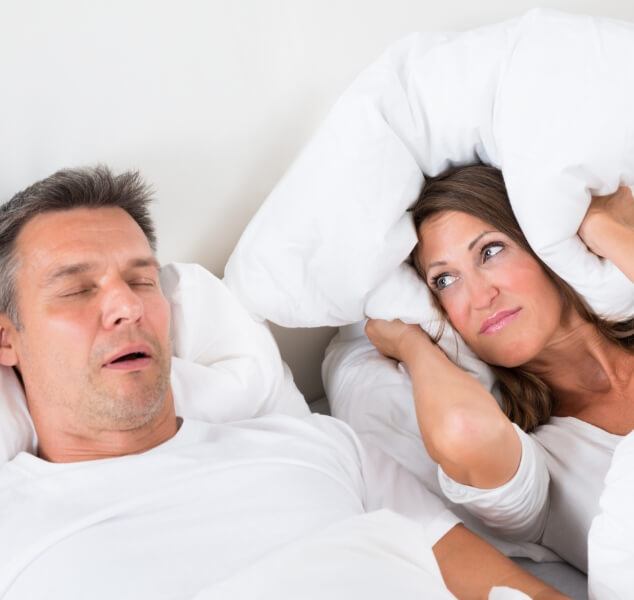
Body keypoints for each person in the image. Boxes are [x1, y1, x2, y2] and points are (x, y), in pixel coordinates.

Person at [0, 166, 565, 600]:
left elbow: (518, 592)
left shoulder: (321, 447)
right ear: (8, 340)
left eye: (142, 280)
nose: (125, 305)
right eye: (77, 290)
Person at [366, 164, 634, 573]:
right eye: (445, 281)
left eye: (490, 252)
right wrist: (412, 344)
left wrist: (598, 224)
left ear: (541, 246)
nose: (479, 296)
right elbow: (463, 430)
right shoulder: (539, 464)